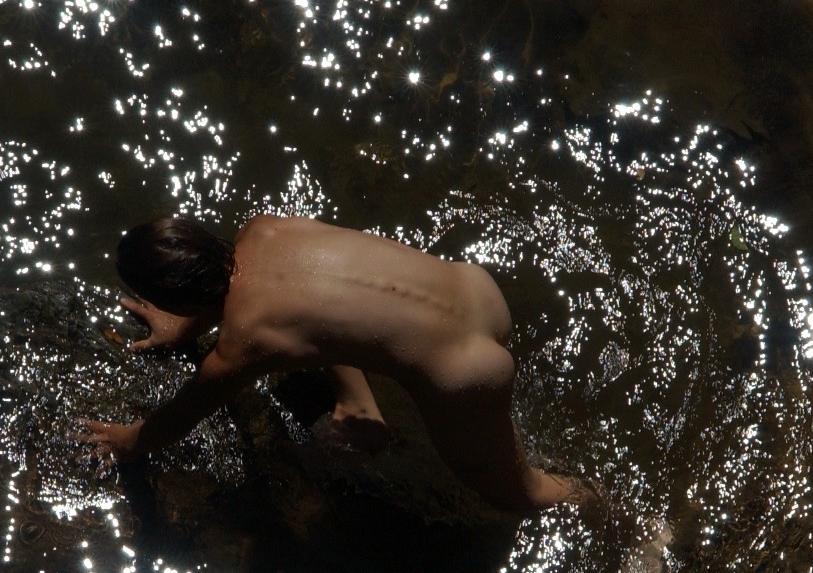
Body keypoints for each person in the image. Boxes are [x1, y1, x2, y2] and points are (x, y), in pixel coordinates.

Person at [77, 214, 581, 515]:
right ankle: (361, 404)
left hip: (465, 374)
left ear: (178, 297)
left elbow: (175, 420)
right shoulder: (264, 229)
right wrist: (181, 328)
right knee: (318, 321)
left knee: (524, 497)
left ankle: (625, 521)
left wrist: (124, 441)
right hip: (475, 292)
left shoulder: (244, 345)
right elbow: (305, 311)